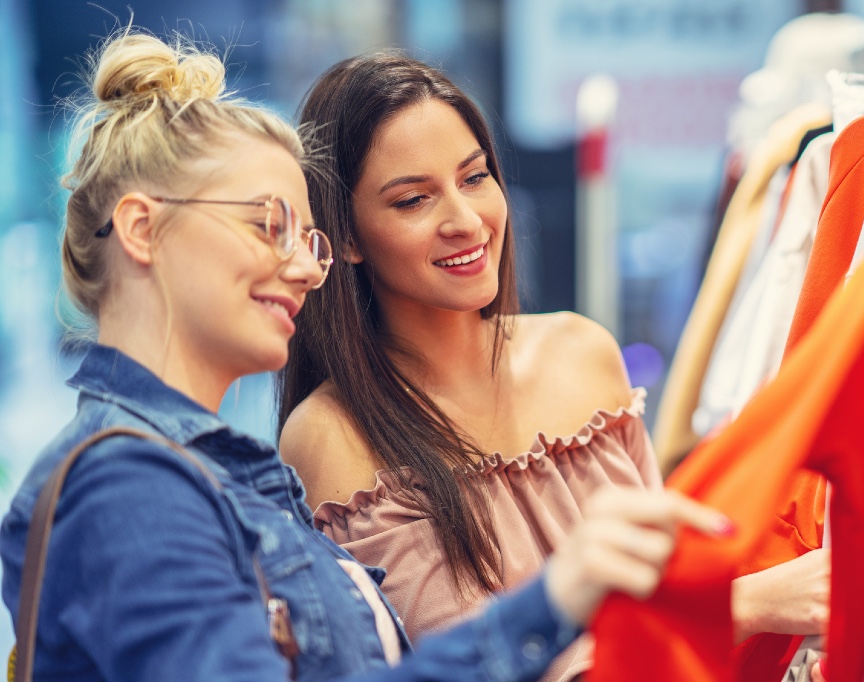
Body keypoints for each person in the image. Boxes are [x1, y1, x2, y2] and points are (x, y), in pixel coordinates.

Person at [0, 31, 731, 682]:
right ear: (141, 230)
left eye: (304, 237)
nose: (303, 268)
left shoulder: (217, 475)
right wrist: (557, 601)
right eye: (268, 226)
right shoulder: (131, 483)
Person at [277, 51, 830, 682]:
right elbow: (481, 668)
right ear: (346, 236)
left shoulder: (581, 352)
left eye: (474, 177)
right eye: (413, 200)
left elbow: (665, 586)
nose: (466, 221)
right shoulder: (330, 433)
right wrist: (743, 605)